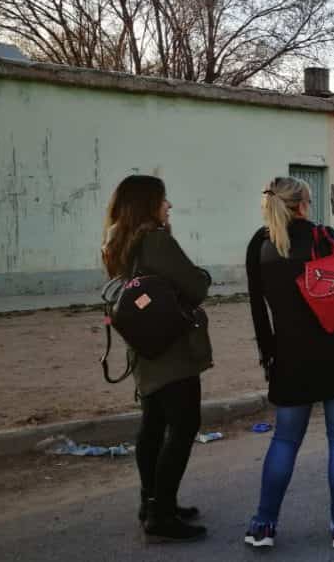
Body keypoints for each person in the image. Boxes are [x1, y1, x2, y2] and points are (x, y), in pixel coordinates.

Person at [243, 177, 334, 550]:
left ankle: (263, 525)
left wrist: (270, 356)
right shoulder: (324, 236)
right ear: (303, 204)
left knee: (284, 441)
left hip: (291, 359)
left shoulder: (261, 245)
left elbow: (258, 311)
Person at [101, 175, 212, 543]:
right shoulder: (156, 240)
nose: (169, 206)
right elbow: (195, 286)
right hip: (171, 349)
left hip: (144, 347)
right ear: (147, 204)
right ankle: (161, 512)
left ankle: (152, 502)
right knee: (183, 424)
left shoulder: (118, 243)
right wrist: (202, 276)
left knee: (153, 424)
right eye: (163, 200)